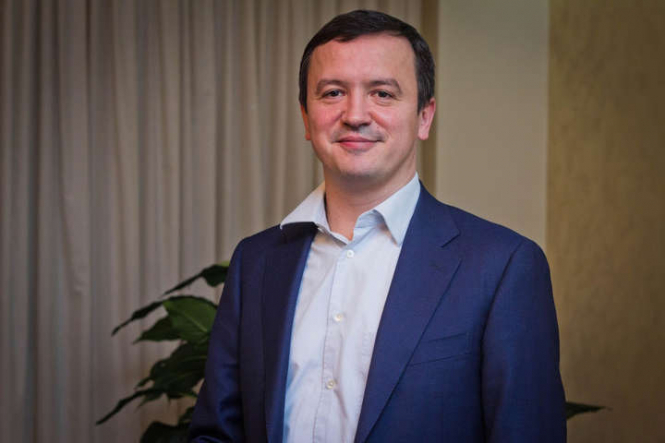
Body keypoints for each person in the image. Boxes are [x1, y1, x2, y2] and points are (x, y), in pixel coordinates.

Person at [189, 9, 566, 443]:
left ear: (424, 117)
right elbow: (217, 435)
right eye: (333, 93)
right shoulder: (255, 262)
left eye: (383, 94)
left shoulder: (502, 267)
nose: (355, 114)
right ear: (306, 118)